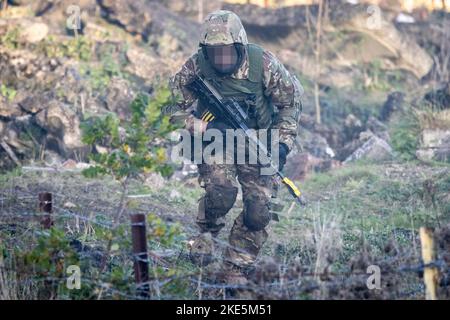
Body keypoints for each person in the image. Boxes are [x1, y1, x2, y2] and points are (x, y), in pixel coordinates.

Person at [169, 9, 303, 290]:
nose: (220, 58)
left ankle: (235, 266)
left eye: (227, 51)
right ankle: (205, 235)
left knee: (259, 210)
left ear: (239, 44)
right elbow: (170, 108)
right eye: (213, 52)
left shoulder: (262, 64)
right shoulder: (196, 66)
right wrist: (204, 127)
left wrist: (281, 144)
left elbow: (290, 103)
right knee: (221, 191)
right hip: (217, 141)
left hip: (261, 141)